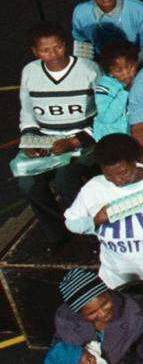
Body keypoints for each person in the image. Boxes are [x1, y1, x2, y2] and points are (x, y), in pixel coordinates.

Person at [64, 132, 143, 285]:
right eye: (109, 175)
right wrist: (95, 220)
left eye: (123, 172)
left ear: (135, 160)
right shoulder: (93, 188)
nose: (117, 180)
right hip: (118, 279)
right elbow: (71, 223)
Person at [18, 22, 98, 248]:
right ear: (35, 52)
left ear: (66, 45)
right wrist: (30, 141)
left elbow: (104, 116)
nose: (53, 54)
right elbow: (27, 113)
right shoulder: (30, 71)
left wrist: (74, 141)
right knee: (28, 184)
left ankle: (89, 232)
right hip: (47, 141)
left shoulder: (89, 69)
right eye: (45, 50)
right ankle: (58, 235)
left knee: (65, 179)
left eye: (58, 47)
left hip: (84, 142)